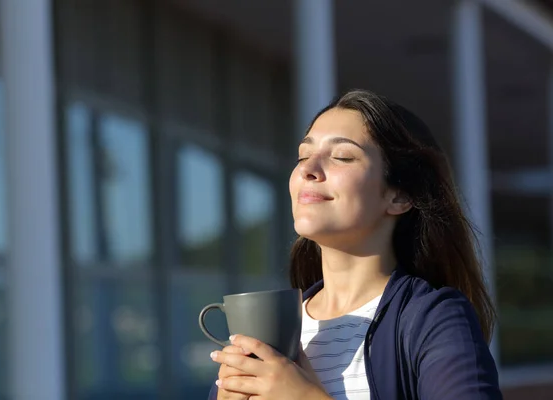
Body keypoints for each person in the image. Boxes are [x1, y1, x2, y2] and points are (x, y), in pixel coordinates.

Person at [207, 89, 502, 399]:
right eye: (303, 156)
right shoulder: (269, 330)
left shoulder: (433, 318)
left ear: (399, 196)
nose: (308, 169)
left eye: (342, 156)